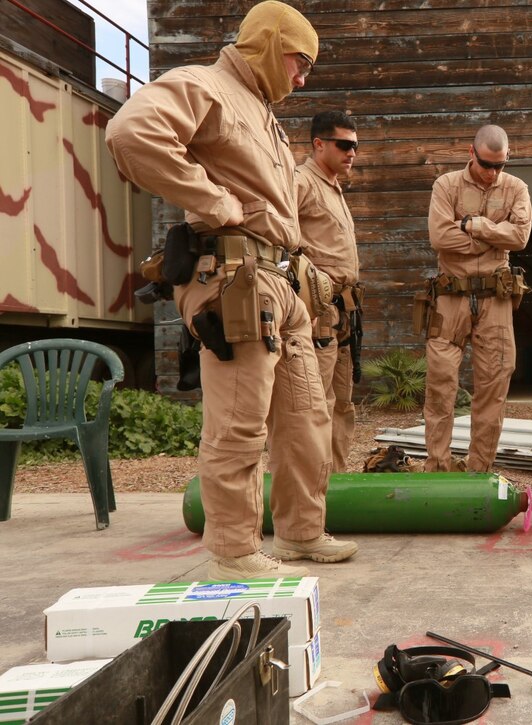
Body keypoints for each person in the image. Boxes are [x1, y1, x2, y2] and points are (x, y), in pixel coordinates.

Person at [105, 1, 357, 580]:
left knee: (305, 419)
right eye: (300, 61)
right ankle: (232, 550)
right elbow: (131, 132)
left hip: (280, 284)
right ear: (268, 44)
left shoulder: (264, 110)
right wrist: (214, 203)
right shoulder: (203, 84)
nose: (303, 77)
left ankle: (299, 532)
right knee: (240, 420)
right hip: (238, 278)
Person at [422, 124, 532, 472]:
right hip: (449, 298)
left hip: (495, 301)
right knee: (441, 384)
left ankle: (478, 469)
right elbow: (440, 237)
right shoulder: (446, 185)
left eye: (500, 165)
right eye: (486, 164)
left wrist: (476, 226)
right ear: (472, 153)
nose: (492, 172)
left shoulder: (517, 188)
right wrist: (493, 238)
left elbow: (521, 237)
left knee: (493, 385)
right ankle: (437, 467)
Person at [294, 110, 361, 472]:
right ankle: (308, 486)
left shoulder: (332, 185)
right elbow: (280, 238)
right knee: (314, 400)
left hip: (342, 310)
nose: (352, 153)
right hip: (316, 309)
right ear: (319, 144)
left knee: (342, 402)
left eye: (355, 146)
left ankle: (337, 482)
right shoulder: (301, 181)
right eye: (344, 145)